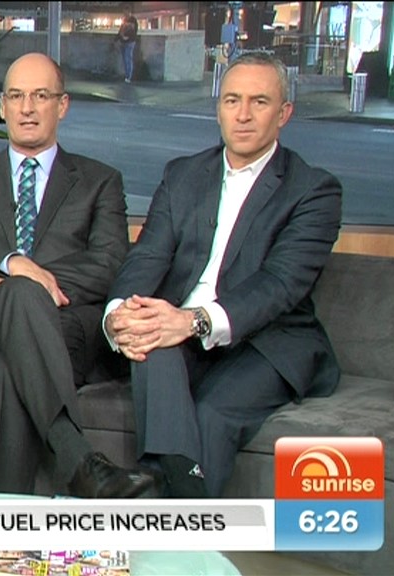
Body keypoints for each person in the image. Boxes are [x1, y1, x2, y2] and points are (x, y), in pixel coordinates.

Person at [103, 52, 343, 498]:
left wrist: (192, 320)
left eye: (259, 102)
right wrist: (121, 313)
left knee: (211, 412)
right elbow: (147, 256)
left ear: (284, 113)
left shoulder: (313, 190)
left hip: (265, 342)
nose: (243, 114)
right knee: (151, 340)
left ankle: (169, 504)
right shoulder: (183, 175)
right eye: (232, 100)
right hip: (181, 334)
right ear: (219, 109)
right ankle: (182, 499)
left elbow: (279, 284)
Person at [0, 52, 157, 498]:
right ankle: (80, 461)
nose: (27, 108)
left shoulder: (99, 180)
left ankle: (6, 517)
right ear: (3, 107)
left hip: (65, 326)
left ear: (62, 105)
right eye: (16, 96)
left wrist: (20, 278)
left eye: (40, 96)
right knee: (16, 302)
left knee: (7, 366)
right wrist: (10, 262)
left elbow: (111, 262)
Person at [114, 12, 139, 83]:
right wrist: (117, 39)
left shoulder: (132, 20)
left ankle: (128, 76)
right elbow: (121, 31)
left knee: (127, 58)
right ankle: (127, 75)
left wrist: (122, 38)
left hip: (129, 42)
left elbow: (132, 32)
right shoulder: (126, 20)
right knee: (126, 59)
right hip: (126, 41)